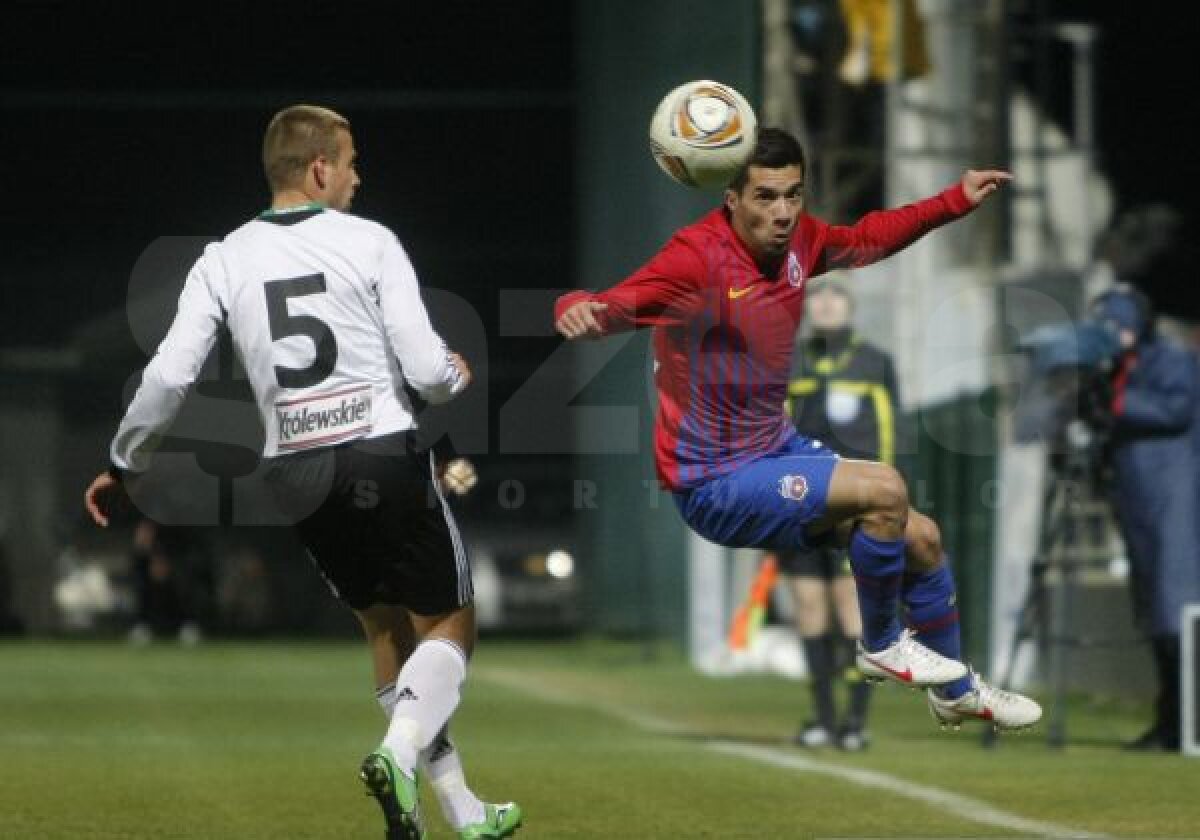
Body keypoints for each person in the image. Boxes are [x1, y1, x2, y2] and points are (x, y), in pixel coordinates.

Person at [84, 105, 522, 839]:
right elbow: (425, 369)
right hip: (380, 453)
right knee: (449, 621)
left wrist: (123, 462)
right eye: (350, 161)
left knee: (383, 628)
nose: (357, 175)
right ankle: (396, 752)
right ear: (319, 168)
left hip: (294, 472)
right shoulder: (372, 241)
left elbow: (167, 375)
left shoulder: (222, 256)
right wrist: (455, 372)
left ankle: (461, 811)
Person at [555, 127, 1041, 733]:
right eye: (765, 196)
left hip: (772, 449)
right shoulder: (695, 258)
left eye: (793, 194)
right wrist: (573, 306)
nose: (783, 212)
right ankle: (883, 645)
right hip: (714, 482)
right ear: (731, 198)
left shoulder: (799, 242)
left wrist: (952, 201)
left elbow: (865, 238)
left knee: (924, 540)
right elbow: (611, 306)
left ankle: (955, 689)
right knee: (886, 490)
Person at [772, 272, 898, 750]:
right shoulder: (789, 360)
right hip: (799, 504)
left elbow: (892, 434)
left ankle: (855, 724)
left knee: (853, 610)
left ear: (849, 305)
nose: (824, 303)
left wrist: (886, 504)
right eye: (816, 294)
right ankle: (823, 719)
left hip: (856, 503)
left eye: (834, 295)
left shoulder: (874, 362)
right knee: (809, 607)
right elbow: (772, 431)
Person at [1092, 285, 1200, 752]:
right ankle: (1169, 722)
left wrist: (1113, 403)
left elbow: (1174, 409)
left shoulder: (1169, 360)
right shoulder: (1116, 369)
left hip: (1171, 502)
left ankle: (1184, 722)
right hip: (1138, 504)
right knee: (1156, 612)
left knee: (1176, 611)